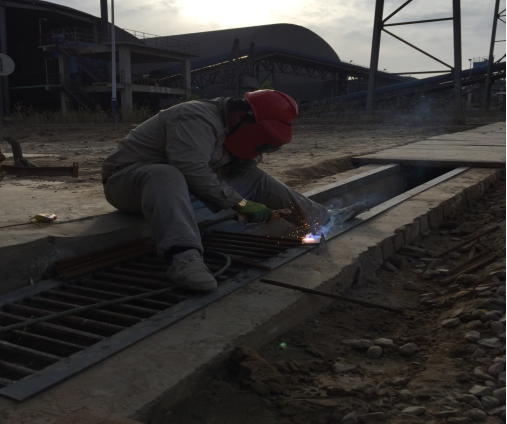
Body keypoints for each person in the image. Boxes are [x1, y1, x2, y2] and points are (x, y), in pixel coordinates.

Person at [101, 90, 359, 291]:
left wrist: (246, 160)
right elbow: (190, 168)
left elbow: (238, 154)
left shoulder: (234, 124)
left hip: (177, 187)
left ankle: (320, 218)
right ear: (240, 116)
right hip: (128, 184)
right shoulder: (195, 117)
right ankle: (183, 259)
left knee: (254, 177)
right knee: (166, 173)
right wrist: (241, 204)